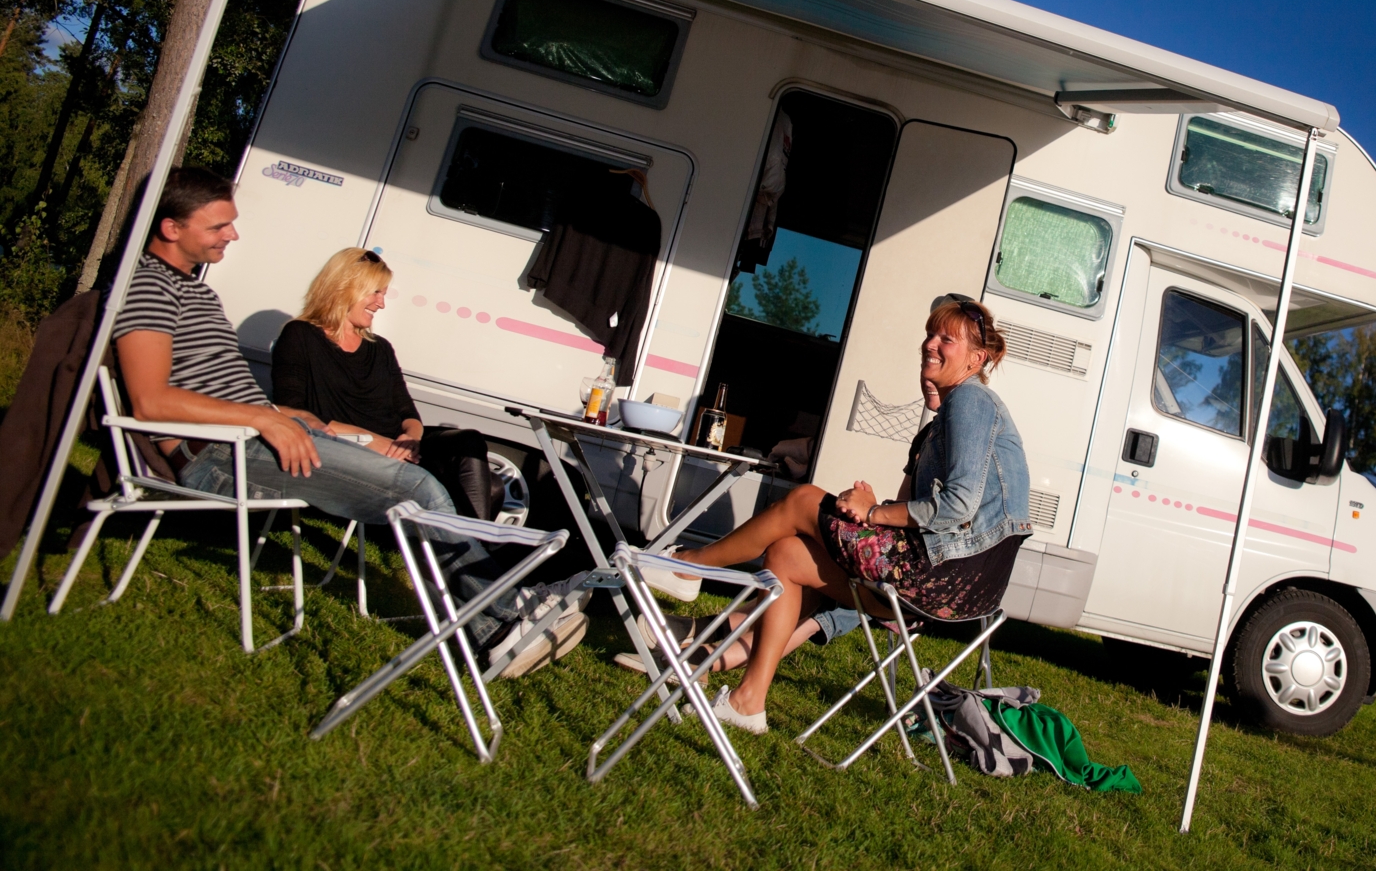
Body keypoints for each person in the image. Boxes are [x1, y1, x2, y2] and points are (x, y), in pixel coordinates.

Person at [112, 167, 584, 676]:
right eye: (218, 226)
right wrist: (264, 420)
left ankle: (508, 608)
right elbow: (148, 400)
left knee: (438, 469)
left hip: (258, 435)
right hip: (218, 454)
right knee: (418, 490)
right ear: (171, 228)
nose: (233, 234)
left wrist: (278, 421)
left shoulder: (196, 293)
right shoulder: (147, 288)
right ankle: (498, 628)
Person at [641, 297, 1031, 734]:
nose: (930, 344)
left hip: (941, 576)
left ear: (976, 359)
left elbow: (958, 507)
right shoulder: (938, 425)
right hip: (948, 588)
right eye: (930, 333)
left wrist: (877, 512)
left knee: (803, 499)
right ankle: (747, 701)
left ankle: (688, 567)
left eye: (946, 338)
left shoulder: (973, 401)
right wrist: (872, 508)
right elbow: (915, 514)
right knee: (787, 555)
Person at [272, 248, 496, 520]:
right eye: (375, 292)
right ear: (344, 288)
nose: (381, 303)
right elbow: (291, 409)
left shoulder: (380, 348)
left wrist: (411, 439)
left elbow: (408, 412)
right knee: (476, 486)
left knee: (468, 442)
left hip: (396, 446)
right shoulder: (300, 335)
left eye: (384, 294)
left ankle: (469, 543)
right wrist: (372, 441)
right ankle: (470, 548)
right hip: (349, 447)